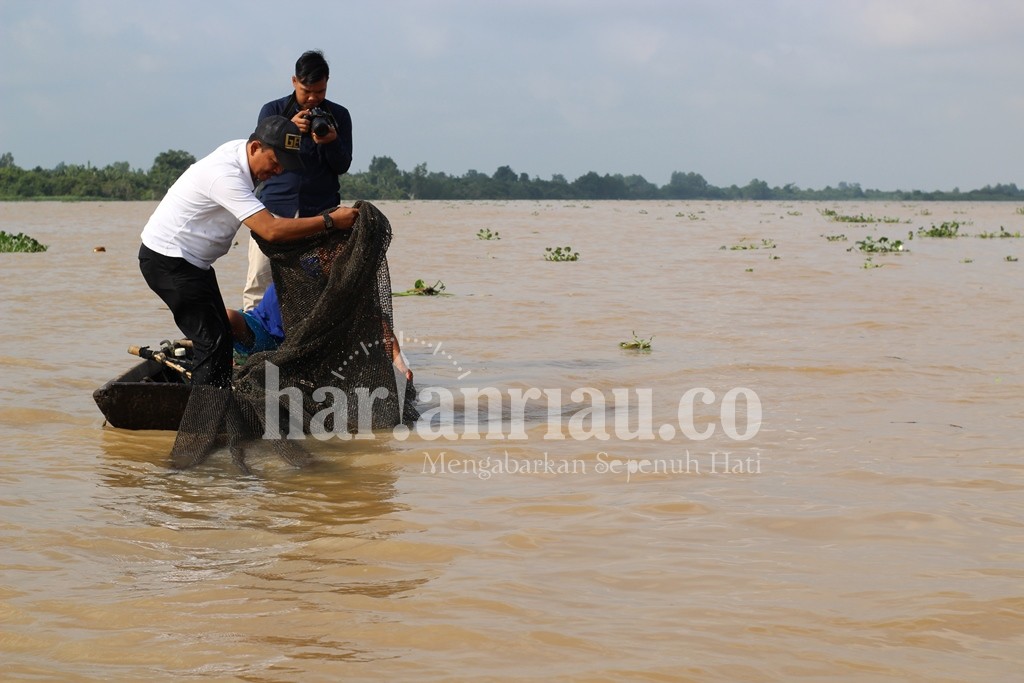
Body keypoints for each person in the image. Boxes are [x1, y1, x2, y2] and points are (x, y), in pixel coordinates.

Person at [139, 115, 358, 388]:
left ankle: (212, 402)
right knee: (212, 344)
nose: (278, 172)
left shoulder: (242, 155)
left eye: (284, 166)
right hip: (169, 261)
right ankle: (203, 419)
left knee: (218, 338)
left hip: (195, 265)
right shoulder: (225, 175)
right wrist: (329, 221)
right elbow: (271, 230)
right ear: (255, 148)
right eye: (275, 163)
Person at [243, 49, 353, 311]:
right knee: (259, 279)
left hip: (320, 213)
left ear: (328, 83)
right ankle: (250, 336)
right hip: (273, 209)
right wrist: (288, 129)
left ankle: (308, 340)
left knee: (318, 282)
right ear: (294, 82)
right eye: (307, 91)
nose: (313, 98)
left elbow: (342, 165)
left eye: (320, 91)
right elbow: (258, 153)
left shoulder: (339, 116)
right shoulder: (273, 111)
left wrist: (331, 141)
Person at [227, 282, 414, 382]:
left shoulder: (346, 284)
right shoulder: (300, 268)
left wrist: (399, 362)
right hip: (262, 332)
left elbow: (375, 320)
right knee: (228, 317)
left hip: (299, 351)